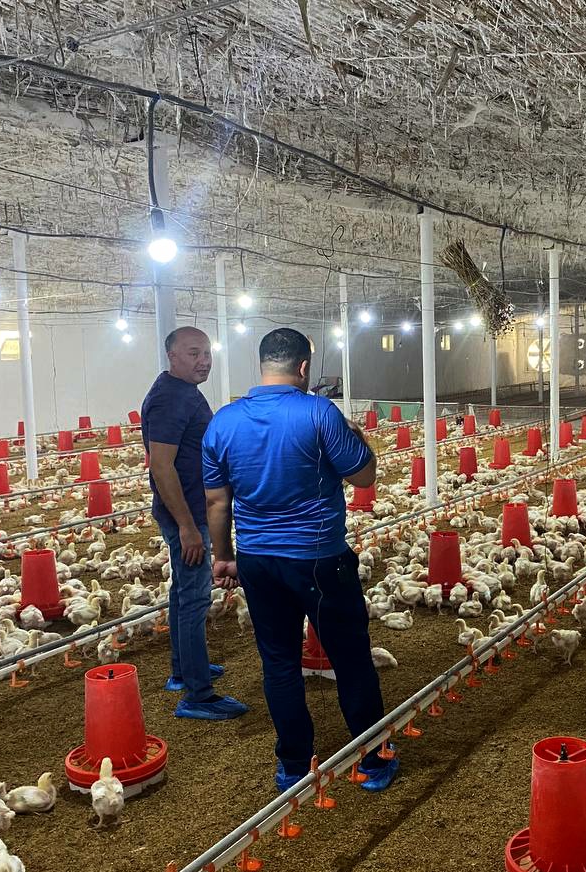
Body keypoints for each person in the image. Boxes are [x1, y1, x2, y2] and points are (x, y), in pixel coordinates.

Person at [201, 327, 397, 793]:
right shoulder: (319, 412)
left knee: (279, 663)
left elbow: (216, 502)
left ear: (262, 364)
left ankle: (293, 763)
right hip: (318, 559)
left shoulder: (223, 422)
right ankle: (372, 759)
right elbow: (364, 477)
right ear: (304, 367)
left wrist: (224, 558)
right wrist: (357, 436)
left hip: (258, 560)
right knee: (351, 658)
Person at [141, 326, 248, 721]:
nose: (204, 361)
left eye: (206, 352)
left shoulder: (182, 391)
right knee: (195, 598)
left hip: (190, 509)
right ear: (172, 355)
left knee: (184, 593)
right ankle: (198, 695)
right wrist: (187, 526)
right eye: (193, 353)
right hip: (186, 513)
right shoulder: (170, 398)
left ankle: (183, 670)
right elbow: (161, 465)